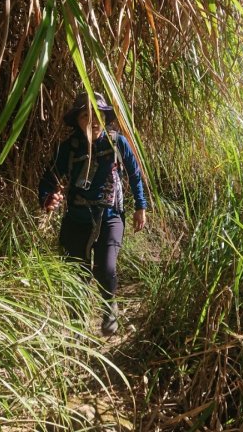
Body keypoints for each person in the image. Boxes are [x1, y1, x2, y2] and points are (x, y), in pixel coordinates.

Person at [38, 92, 147, 336]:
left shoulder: (117, 143)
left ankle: (109, 308)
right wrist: (48, 198)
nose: (93, 121)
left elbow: (134, 174)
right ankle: (76, 325)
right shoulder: (68, 148)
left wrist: (141, 207)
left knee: (105, 268)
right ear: (78, 120)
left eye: (98, 115)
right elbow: (48, 179)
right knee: (77, 273)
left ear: (105, 118)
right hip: (76, 218)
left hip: (110, 216)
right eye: (86, 115)